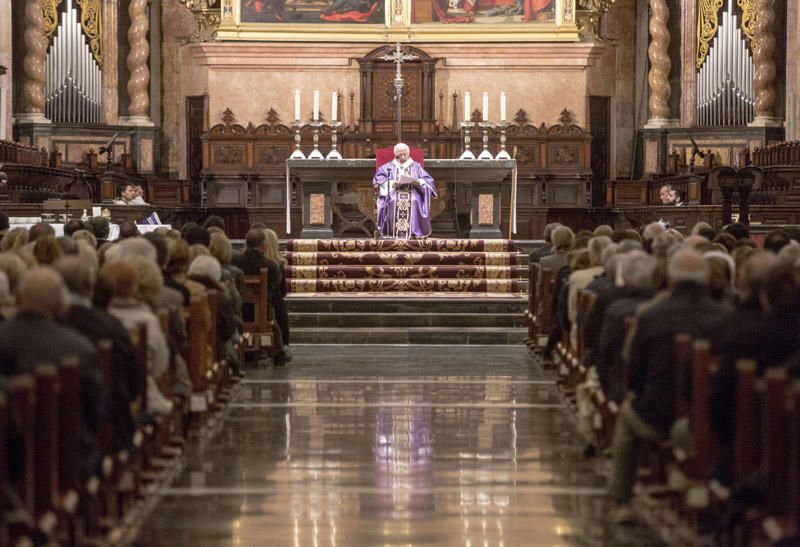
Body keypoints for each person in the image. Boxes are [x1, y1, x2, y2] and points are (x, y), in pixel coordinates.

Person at [373, 143, 437, 239]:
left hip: (412, 192)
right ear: (395, 155)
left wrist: (418, 182)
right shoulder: (387, 167)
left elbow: (428, 180)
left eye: (405, 154)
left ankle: (413, 232)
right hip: (393, 192)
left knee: (414, 201)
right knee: (393, 201)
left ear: (409, 153)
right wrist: (392, 183)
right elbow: (378, 179)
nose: (402, 157)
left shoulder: (416, 166)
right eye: (399, 155)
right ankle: (391, 233)